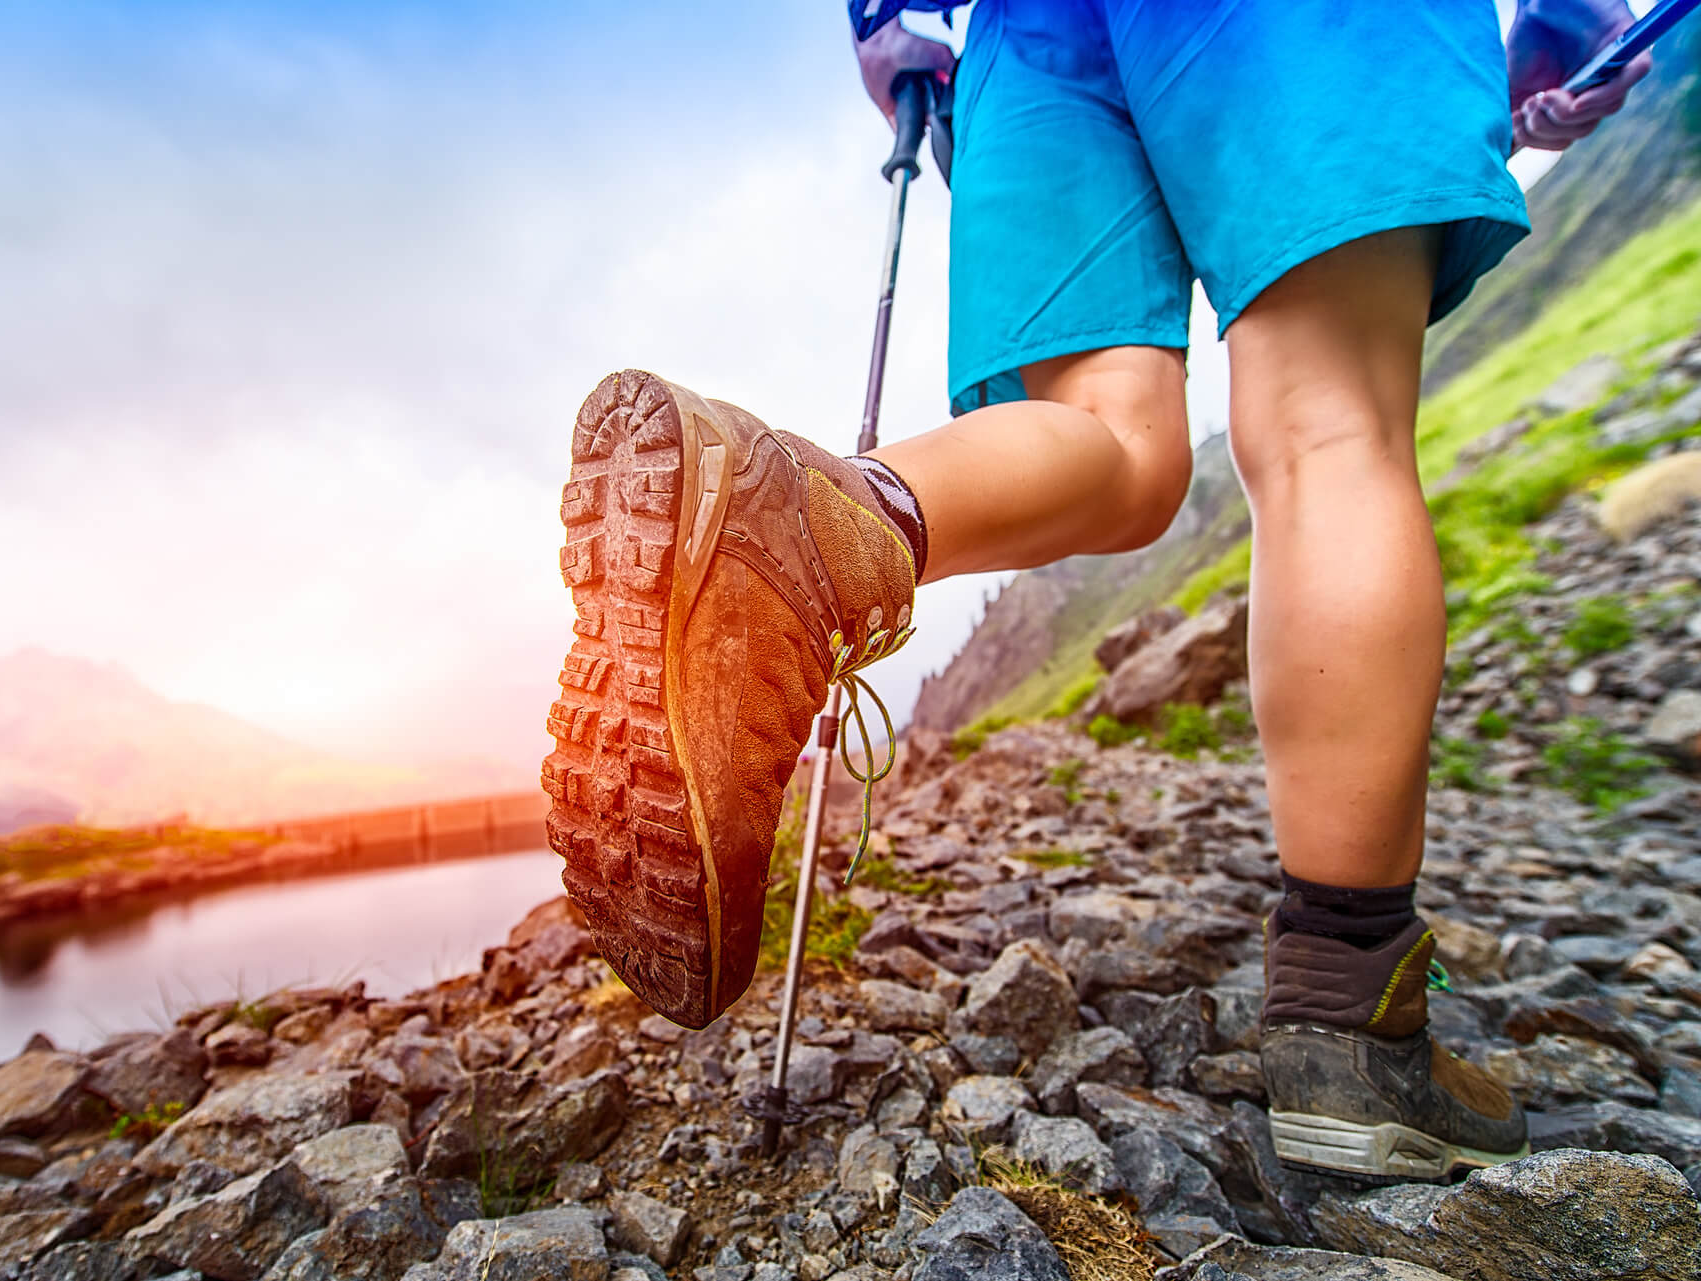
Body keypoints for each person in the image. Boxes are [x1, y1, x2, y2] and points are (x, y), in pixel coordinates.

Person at [542, 0, 1649, 1180]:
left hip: (1032, 34)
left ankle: (804, 533)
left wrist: (884, 24)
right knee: (1330, 422)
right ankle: (1351, 1027)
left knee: (1111, 445)